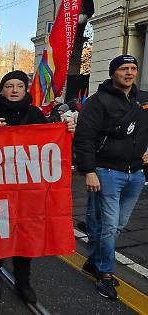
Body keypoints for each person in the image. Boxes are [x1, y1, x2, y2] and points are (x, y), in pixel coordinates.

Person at [0, 70, 76, 304]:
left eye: (19, 85)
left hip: (28, 188)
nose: (15, 90)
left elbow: (51, 141)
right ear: (1, 90)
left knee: (25, 232)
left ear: (25, 89)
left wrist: (66, 130)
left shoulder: (36, 114)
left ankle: (23, 281)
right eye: (9, 86)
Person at [73, 54, 148, 299]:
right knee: (108, 225)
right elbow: (84, 137)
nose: (129, 72)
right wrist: (89, 171)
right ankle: (105, 273)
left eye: (133, 68)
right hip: (106, 173)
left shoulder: (142, 100)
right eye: (123, 68)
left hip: (135, 174)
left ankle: (93, 261)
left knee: (118, 225)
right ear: (113, 73)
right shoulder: (97, 102)